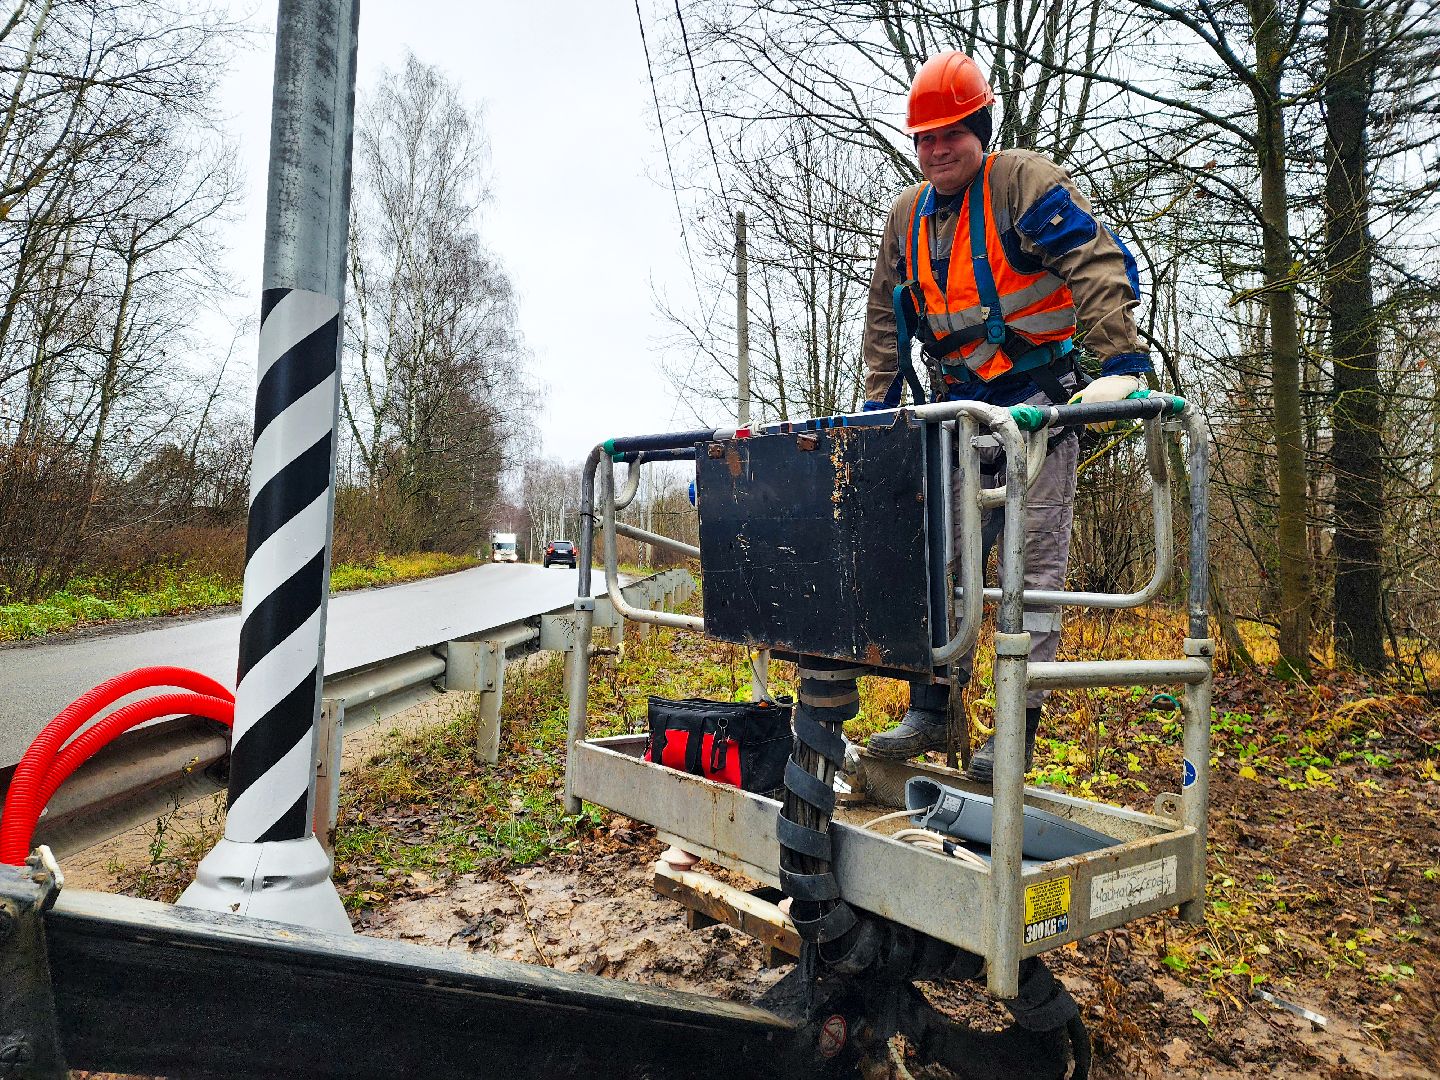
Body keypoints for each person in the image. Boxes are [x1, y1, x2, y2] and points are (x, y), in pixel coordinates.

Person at [861, 50, 1152, 781]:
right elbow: (884, 320)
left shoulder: (1022, 182)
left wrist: (1119, 364)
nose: (937, 150)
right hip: (956, 412)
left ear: (980, 131)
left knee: (1034, 567)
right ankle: (932, 703)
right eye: (925, 138)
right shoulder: (906, 217)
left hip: (1037, 409)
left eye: (951, 134)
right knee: (939, 559)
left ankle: (1018, 723)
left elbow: (1093, 260)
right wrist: (877, 406)